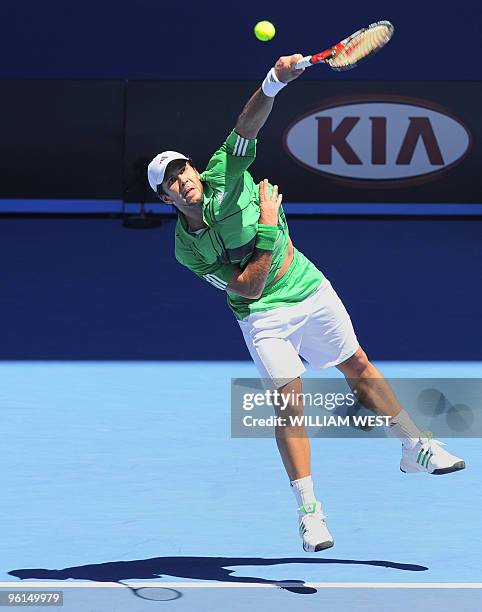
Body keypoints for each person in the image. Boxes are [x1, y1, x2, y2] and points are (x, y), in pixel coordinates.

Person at [147, 54, 466, 553]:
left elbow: (246, 123)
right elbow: (248, 289)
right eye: (171, 179)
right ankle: (310, 513)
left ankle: (415, 446)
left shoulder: (223, 171)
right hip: (263, 318)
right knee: (289, 408)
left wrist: (274, 82)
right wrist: (270, 227)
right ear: (165, 198)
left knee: (357, 365)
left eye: (183, 168)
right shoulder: (187, 250)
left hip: (307, 286)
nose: (184, 177)